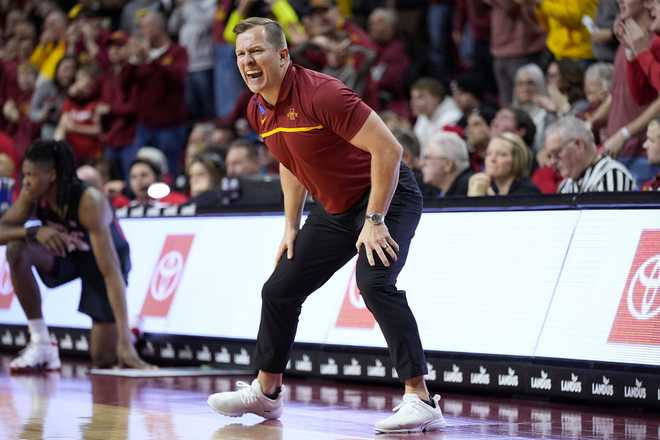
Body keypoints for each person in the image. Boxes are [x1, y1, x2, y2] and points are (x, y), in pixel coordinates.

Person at [206, 17, 445, 434]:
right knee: (279, 290)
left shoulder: (324, 93)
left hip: (387, 196)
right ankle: (267, 393)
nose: (247, 61)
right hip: (335, 210)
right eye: (241, 54)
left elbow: (390, 149)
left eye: (256, 51)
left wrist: (374, 219)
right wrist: (291, 225)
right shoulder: (257, 106)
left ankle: (421, 398)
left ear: (283, 55)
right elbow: (290, 161)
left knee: (375, 284)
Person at [0, 140, 152, 371]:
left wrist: (122, 340)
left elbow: (111, 274)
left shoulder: (89, 201)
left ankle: (128, 332)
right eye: (24, 174)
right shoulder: (32, 194)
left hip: (101, 262)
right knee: (16, 249)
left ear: (51, 175)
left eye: (30, 175)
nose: (25, 181)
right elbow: (3, 230)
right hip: (67, 256)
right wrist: (33, 230)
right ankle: (40, 341)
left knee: (103, 358)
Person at [546, 116, 638, 193]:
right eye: (550, 156)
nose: (552, 162)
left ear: (578, 145)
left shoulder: (611, 176)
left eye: (556, 153)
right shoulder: (566, 185)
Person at [467, 132, 540, 196]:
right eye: (488, 153)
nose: (492, 159)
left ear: (517, 159)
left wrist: (478, 200)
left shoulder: (528, 192)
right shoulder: (486, 187)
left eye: (501, 154)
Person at [421, 131, 473, 198]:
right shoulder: (438, 190)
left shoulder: (468, 190)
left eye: (427, 158)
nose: (422, 163)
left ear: (448, 165)